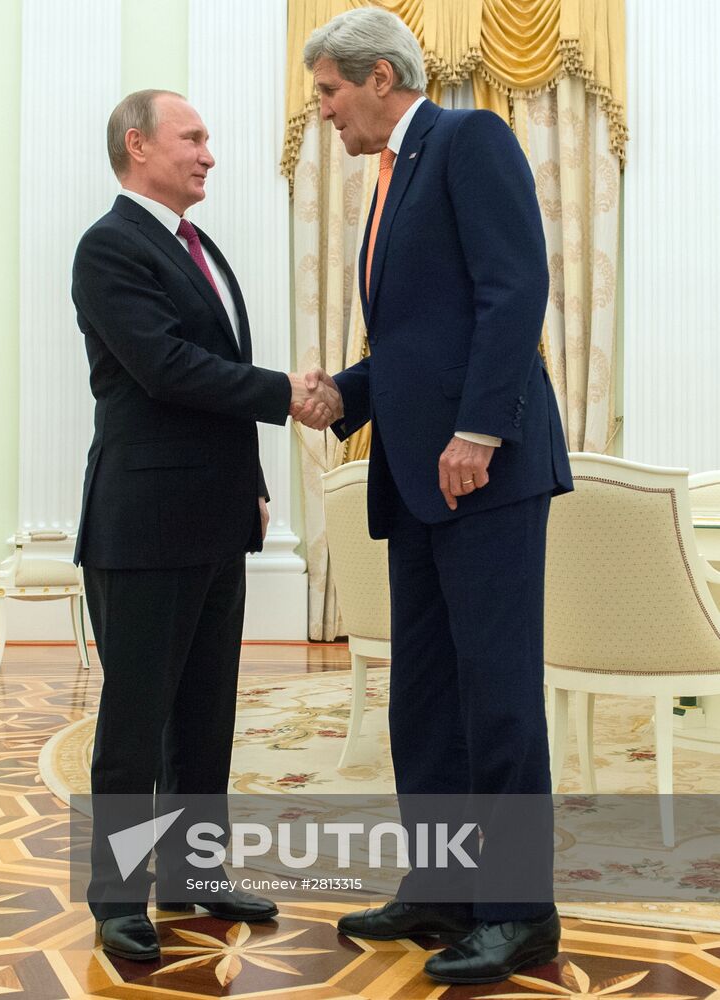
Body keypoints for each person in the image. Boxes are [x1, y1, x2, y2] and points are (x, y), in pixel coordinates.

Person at [296, 7, 573, 986]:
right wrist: (344, 393)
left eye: (328, 91)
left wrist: (480, 428)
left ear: (379, 77)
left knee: (495, 696)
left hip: (482, 470)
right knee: (424, 700)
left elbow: (515, 287)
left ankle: (517, 913)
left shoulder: (467, 138)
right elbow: (416, 343)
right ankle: (444, 887)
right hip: (416, 477)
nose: (322, 110)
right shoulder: (388, 178)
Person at [71, 88, 340, 962]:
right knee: (134, 721)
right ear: (138, 145)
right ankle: (116, 897)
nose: (208, 154)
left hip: (214, 516)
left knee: (203, 714)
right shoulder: (109, 245)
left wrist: (251, 482)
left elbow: (210, 374)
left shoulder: (202, 248)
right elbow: (163, 367)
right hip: (141, 519)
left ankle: (194, 875)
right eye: (193, 138)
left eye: (208, 140)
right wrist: (282, 395)